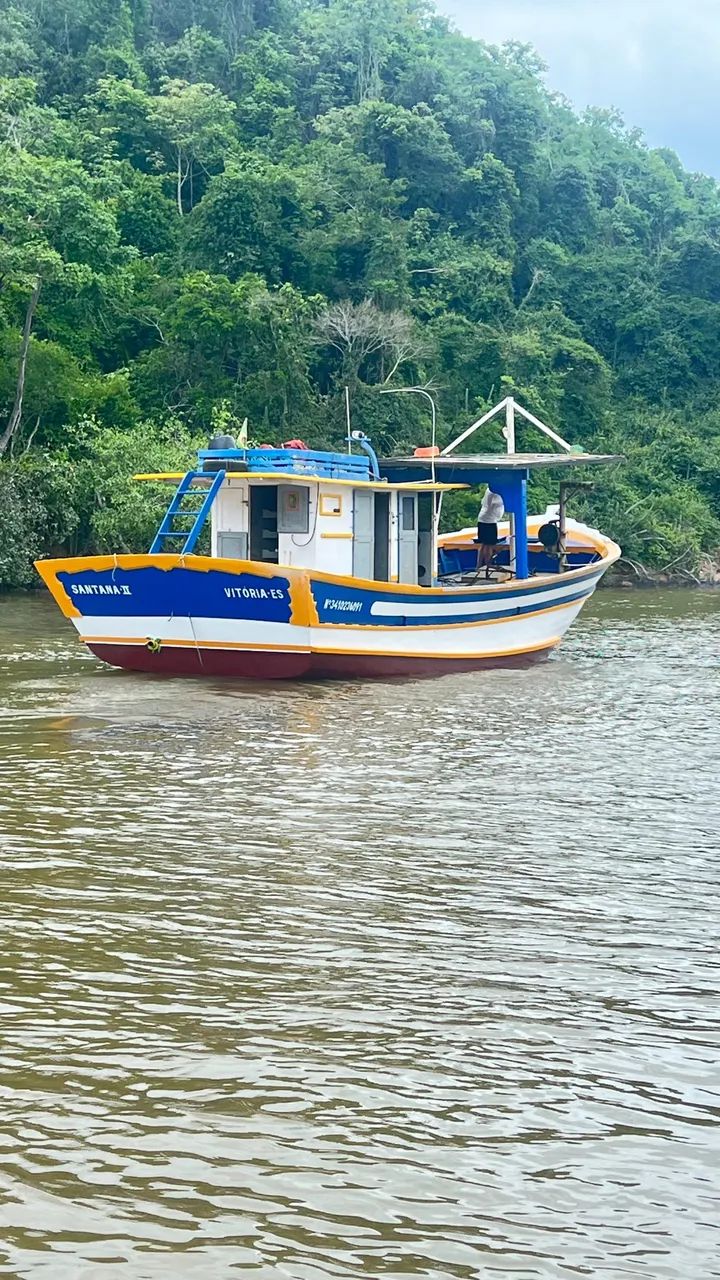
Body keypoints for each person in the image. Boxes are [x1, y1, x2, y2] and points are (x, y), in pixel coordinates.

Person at [476, 487, 504, 577]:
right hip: (489, 521)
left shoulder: (489, 490)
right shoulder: (495, 492)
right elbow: (494, 505)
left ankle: (479, 565)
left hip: (483, 519)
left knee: (484, 544)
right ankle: (488, 564)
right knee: (489, 544)